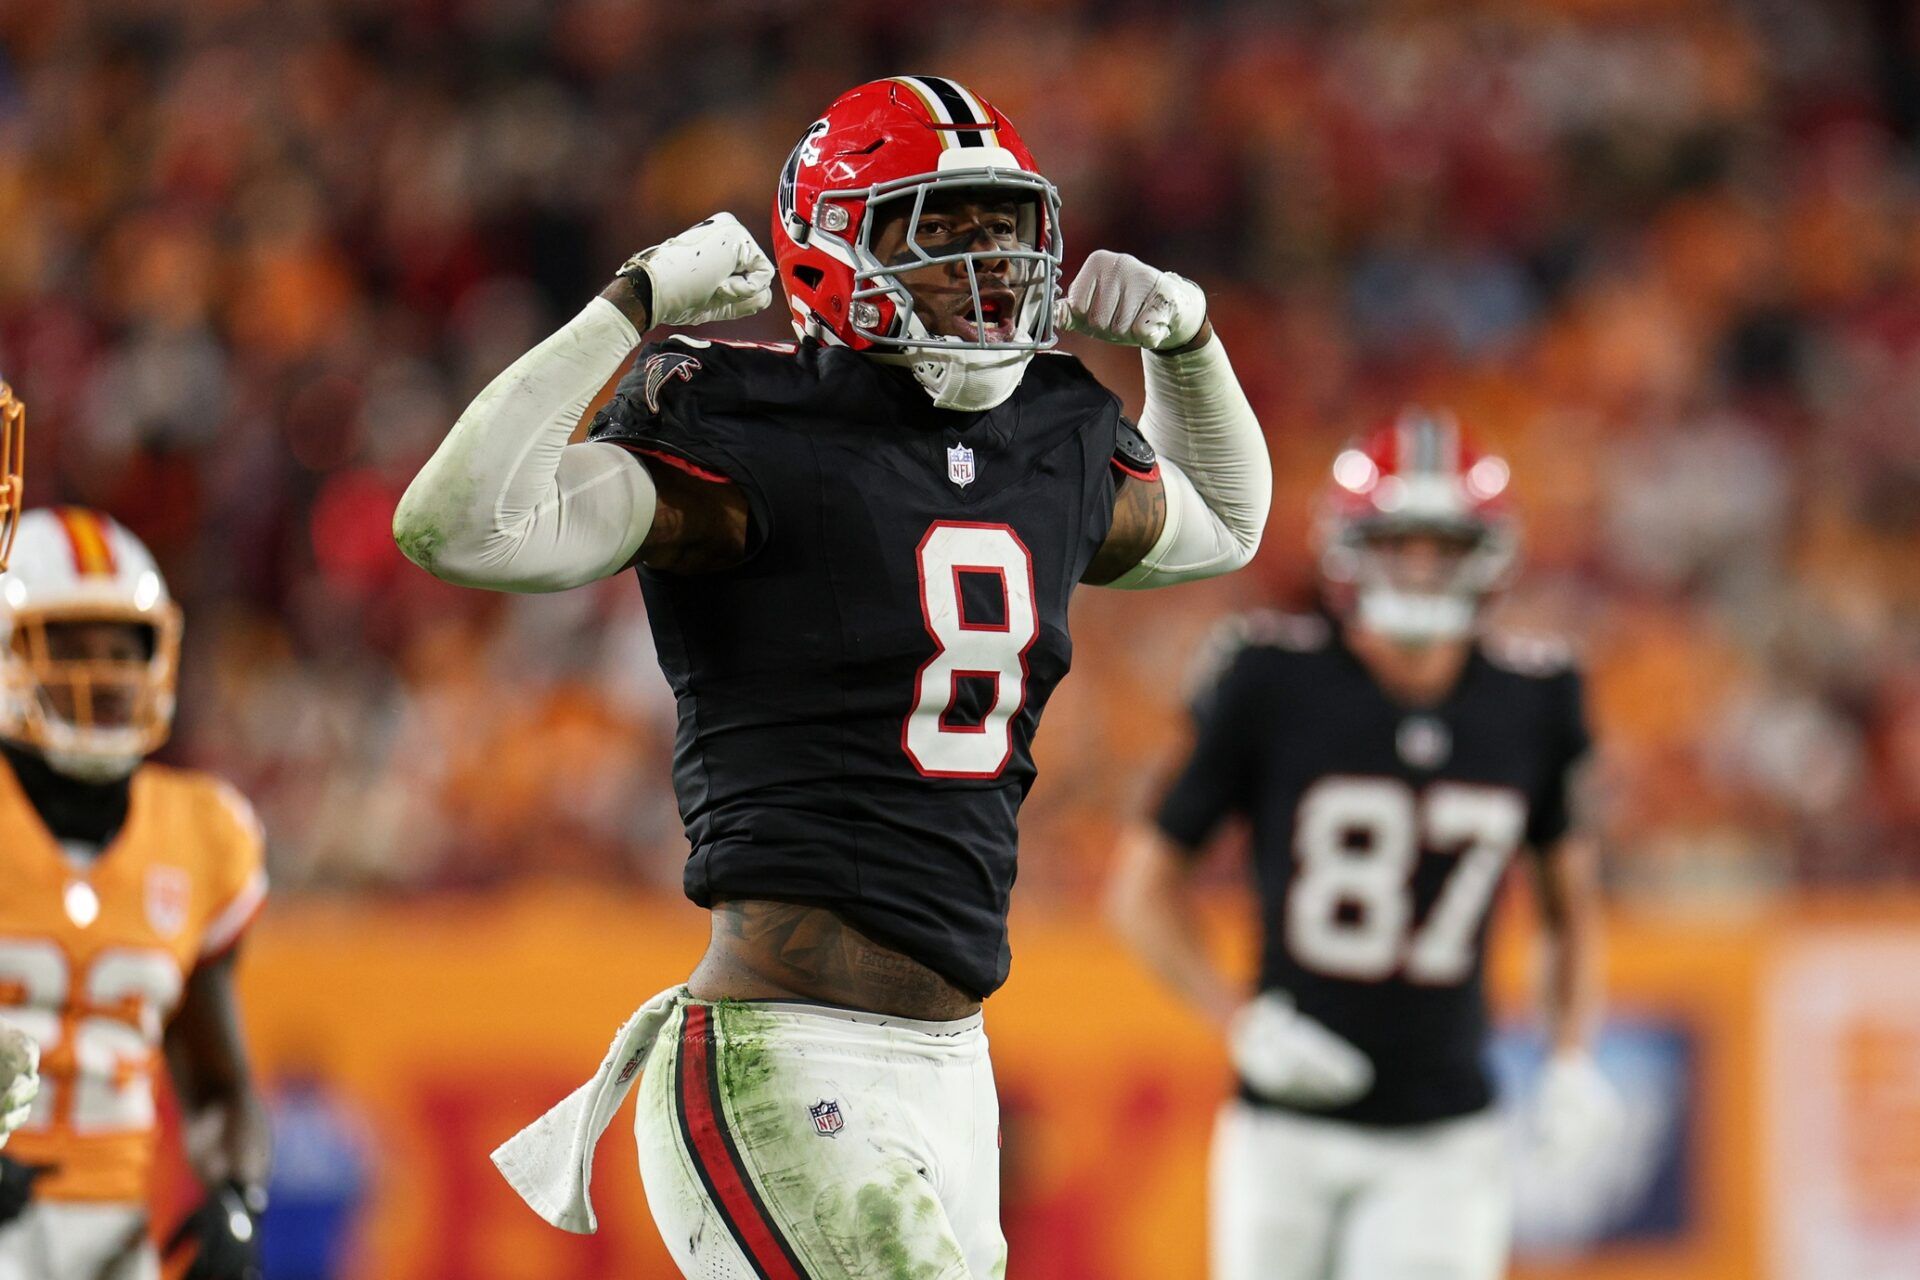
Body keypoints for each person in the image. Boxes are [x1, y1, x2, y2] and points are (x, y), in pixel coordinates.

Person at [395, 75, 1270, 1279]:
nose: (984, 262)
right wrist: (628, 306)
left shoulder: (1052, 430)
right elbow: (459, 527)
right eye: (937, 228)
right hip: (784, 1057)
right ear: (831, 250)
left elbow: (1225, 520)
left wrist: (1189, 344)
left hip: (955, 1067)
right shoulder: (747, 423)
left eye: (1002, 226)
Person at [1107, 412, 1620, 1280]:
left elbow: (1571, 913)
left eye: (1441, 545)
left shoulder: (1536, 701)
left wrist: (1572, 1057)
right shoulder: (1271, 681)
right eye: (1397, 542)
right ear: (1350, 548)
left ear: (1485, 554)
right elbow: (1141, 888)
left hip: (1443, 1135)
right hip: (1282, 1128)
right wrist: (1239, 1021)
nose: (1418, 567)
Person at [0, 508, 270, 1280]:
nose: (105, 674)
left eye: (123, 649)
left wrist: (237, 1197)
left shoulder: (202, 831)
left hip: (112, 1237)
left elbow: (218, 1085)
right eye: (70, 647)